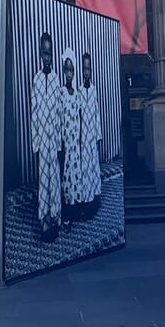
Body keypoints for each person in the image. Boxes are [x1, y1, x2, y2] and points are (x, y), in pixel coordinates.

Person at [30, 31, 63, 240]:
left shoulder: (57, 79)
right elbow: (34, 112)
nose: (47, 57)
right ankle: (44, 220)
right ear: (40, 54)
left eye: (50, 53)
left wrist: (59, 142)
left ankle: (56, 217)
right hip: (42, 139)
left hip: (54, 138)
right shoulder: (36, 79)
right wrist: (35, 143)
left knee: (55, 180)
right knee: (44, 180)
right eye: (44, 53)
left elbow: (59, 110)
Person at [59, 48, 85, 220]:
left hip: (75, 143)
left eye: (72, 70)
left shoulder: (76, 95)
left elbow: (79, 117)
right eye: (66, 70)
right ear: (63, 71)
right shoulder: (61, 92)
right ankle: (67, 214)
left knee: (77, 178)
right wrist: (61, 142)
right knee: (66, 179)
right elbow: (59, 117)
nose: (69, 74)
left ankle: (76, 211)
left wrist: (81, 139)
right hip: (65, 143)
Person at [78, 51, 103, 210]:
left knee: (93, 168)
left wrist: (98, 136)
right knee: (84, 169)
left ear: (91, 71)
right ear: (82, 71)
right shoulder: (79, 90)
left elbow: (97, 114)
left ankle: (95, 200)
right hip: (82, 137)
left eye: (89, 69)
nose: (87, 72)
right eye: (84, 69)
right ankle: (86, 201)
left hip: (92, 136)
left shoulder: (93, 90)